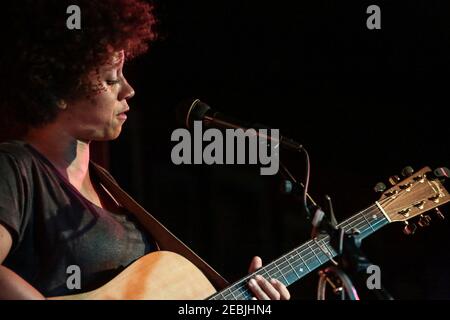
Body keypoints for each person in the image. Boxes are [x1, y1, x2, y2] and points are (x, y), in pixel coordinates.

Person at [0, 0, 290, 300]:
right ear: (58, 90)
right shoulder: (16, 168)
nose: (128, 89)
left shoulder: (111, 192)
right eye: (111, 79)